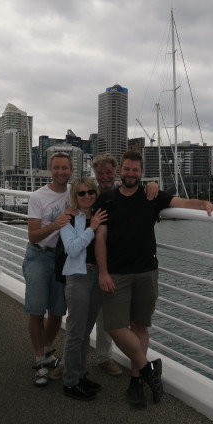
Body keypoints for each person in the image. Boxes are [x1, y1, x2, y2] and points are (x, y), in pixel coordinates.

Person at [95, 150, 213, 406]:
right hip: (117, 274)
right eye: (127, 169)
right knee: (114, 325)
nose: (131, 174)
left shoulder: (151, 196)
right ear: (121, 171)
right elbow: (101, 237)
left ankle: (137, 381)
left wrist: (204, 205)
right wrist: (104, 272)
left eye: (135, 170)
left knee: (140, 326)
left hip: (146, 272)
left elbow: (181, 203)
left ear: (141, 172)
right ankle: (149, 369)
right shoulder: (107, 198)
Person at [90, 154, 158, 377]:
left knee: (112, 320)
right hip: (92, 264)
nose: (105, 177)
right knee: (88, 316)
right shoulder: (89, 194)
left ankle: (105, 358)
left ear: (116, 172)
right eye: (101, 173)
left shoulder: (122, 194)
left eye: (109, 172)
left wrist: (153, 185)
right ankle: (77, 361)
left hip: (116, 268)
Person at [22, 152, 73, 387]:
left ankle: (45, 350)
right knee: (36, 310)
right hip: (39, 256)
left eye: (65, 168)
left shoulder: (75, 192)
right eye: (57, 168)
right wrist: (56, 224)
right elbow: (32, 234)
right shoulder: (38, 196)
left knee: (57, 311)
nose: (61, 172)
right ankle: (41, 360)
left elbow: (100, 192)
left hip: (62, 259)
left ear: (71, 170)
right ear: (50, 169)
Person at [59, 178, 107, 400]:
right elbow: (72, 249)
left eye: (90, 192)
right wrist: (92, 228)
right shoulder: (68, 219)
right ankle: (70, 382)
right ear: (74, 197)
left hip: (97, 276)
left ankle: (79, 374)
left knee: (86, 333)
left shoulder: (100, 214)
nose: (87, 196)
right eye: (81, 193)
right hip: (78, 277)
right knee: (75, 333)